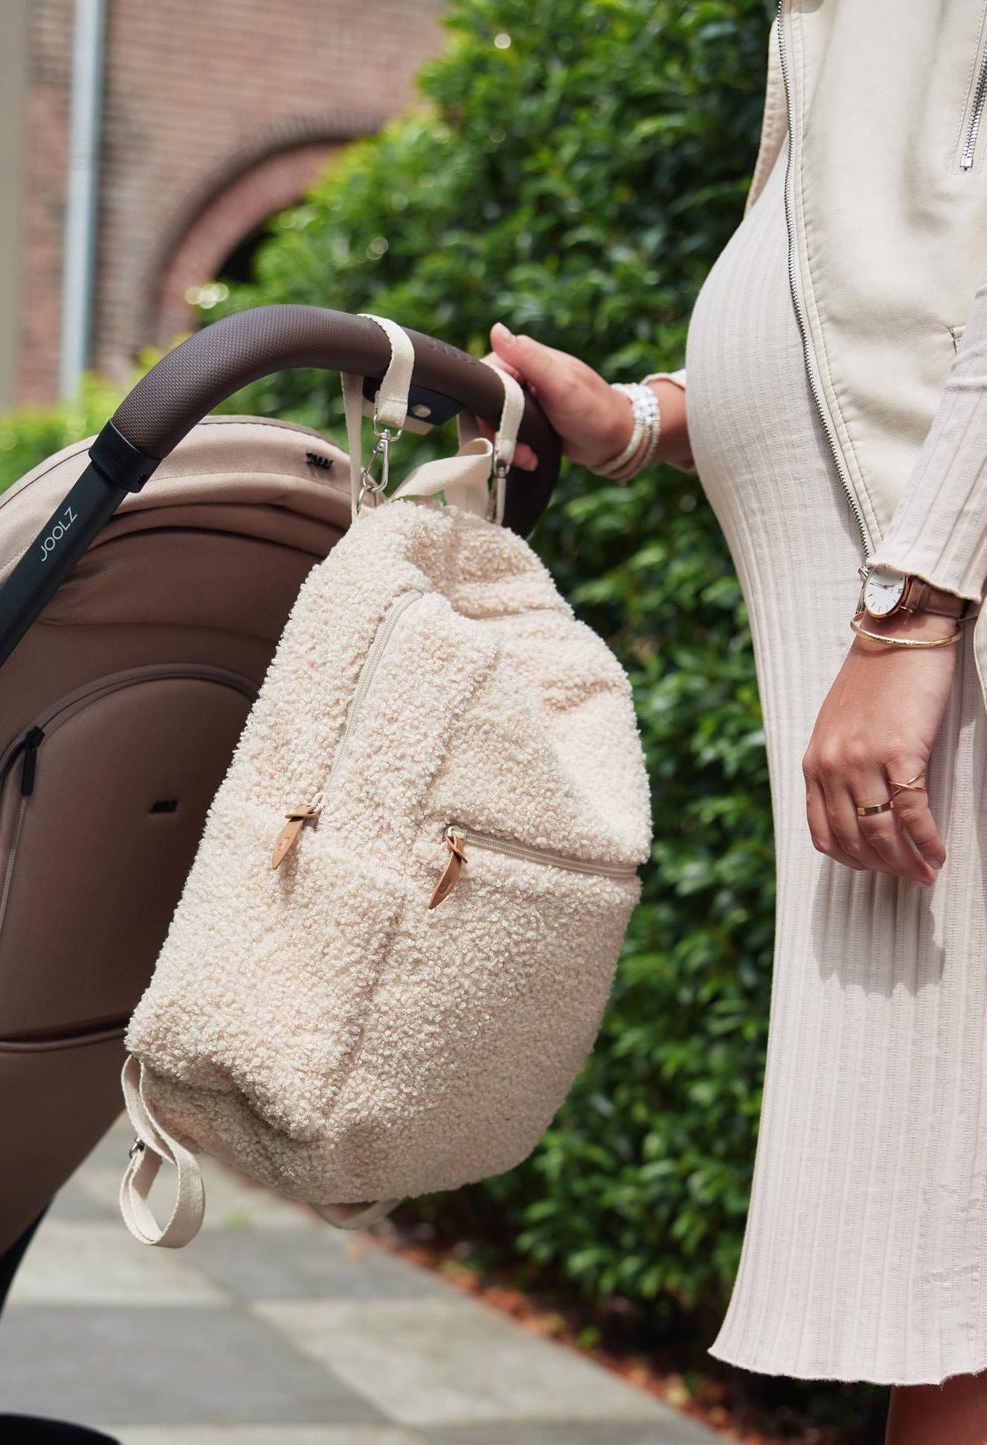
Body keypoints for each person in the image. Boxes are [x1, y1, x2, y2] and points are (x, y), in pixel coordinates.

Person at [486, 7, 987, 1439]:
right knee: (941, 1270)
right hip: (916, 599)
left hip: (934, 608)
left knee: (959, 1279)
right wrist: (641, 417)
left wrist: (911, 611)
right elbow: (862, 311)